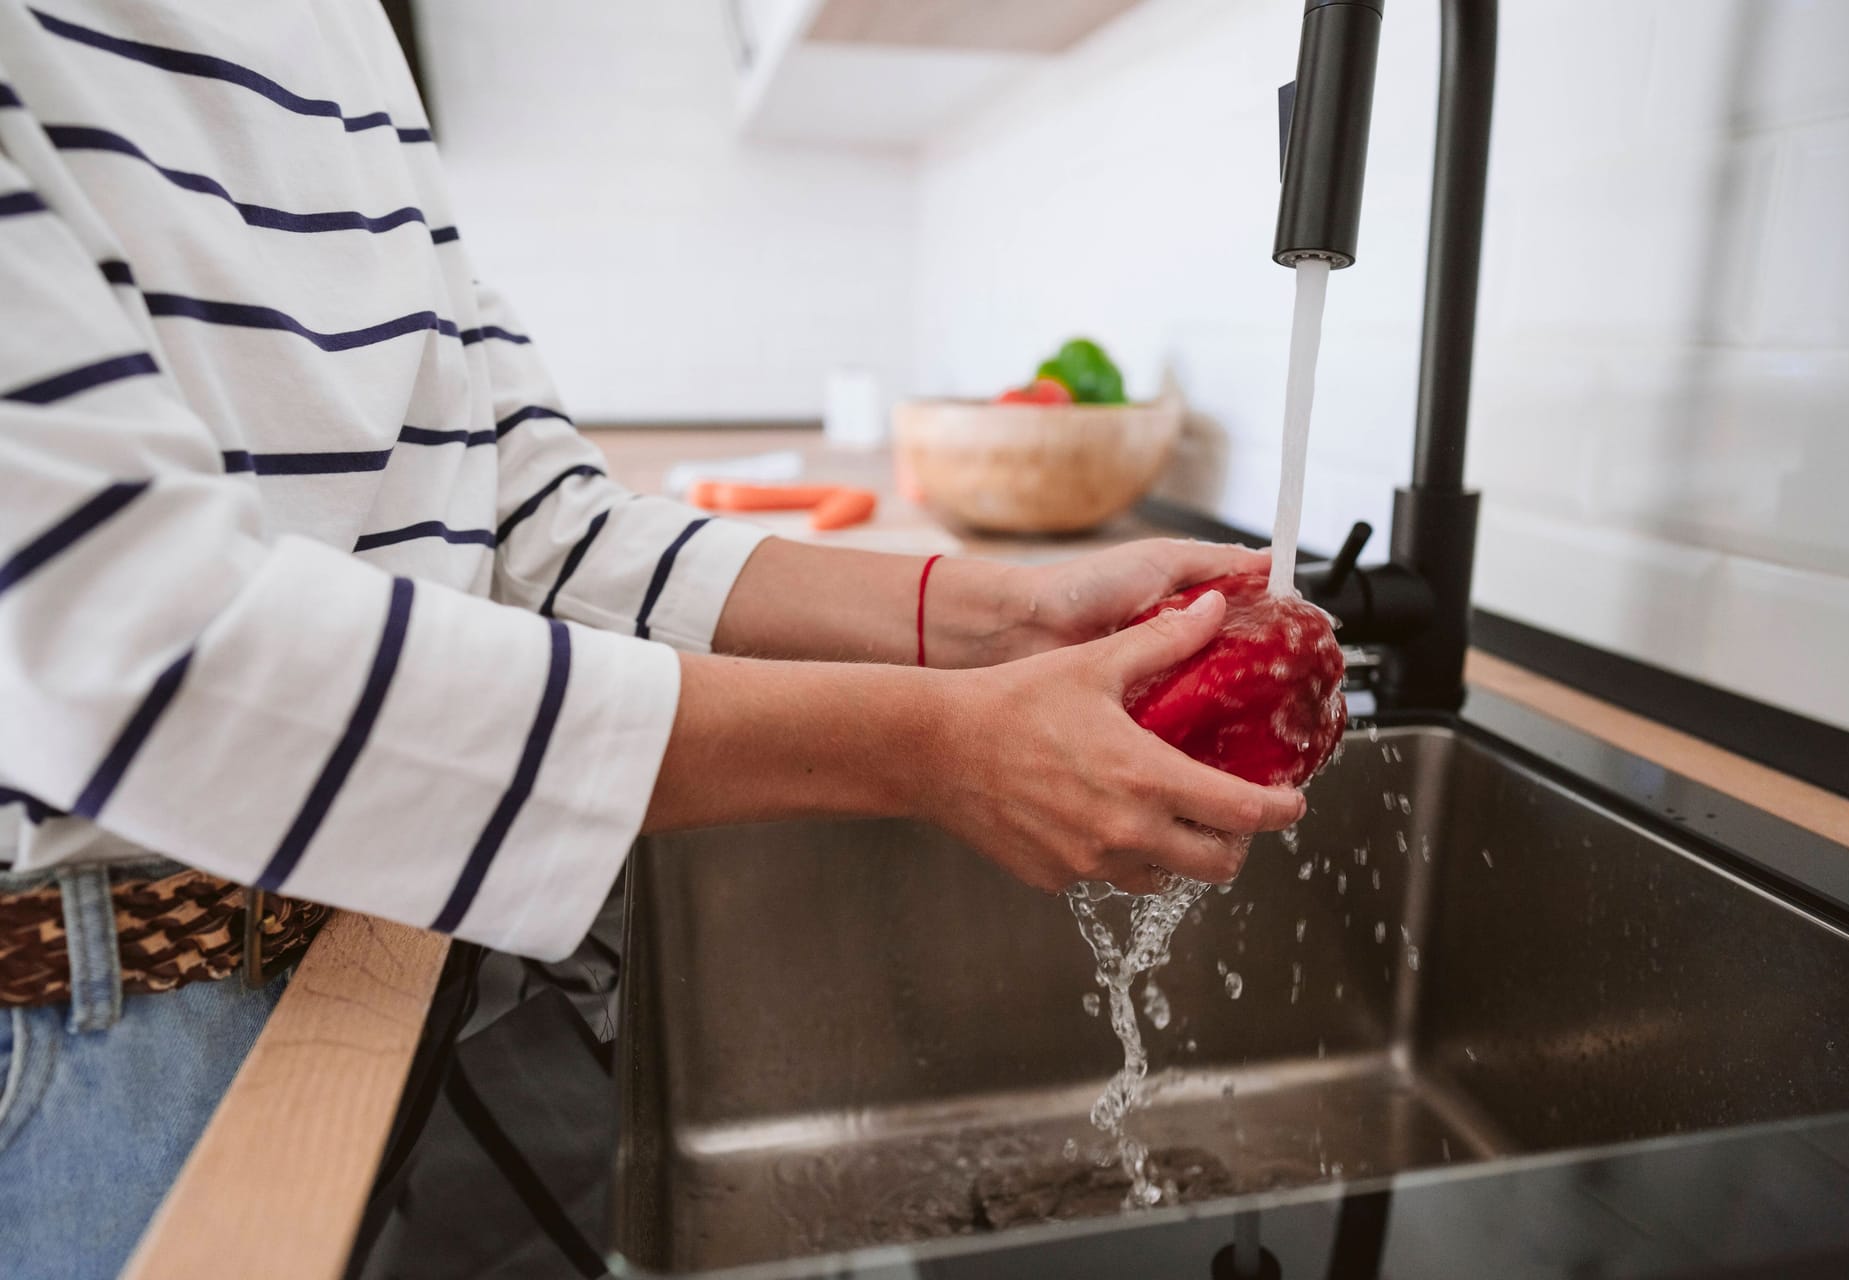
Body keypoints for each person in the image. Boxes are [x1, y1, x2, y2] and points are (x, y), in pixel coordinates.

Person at [0, 2, 1308, 1272]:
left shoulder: (342, 28)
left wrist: (1000, 614)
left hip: (367, 931)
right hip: (94, 1036)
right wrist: (934, 748)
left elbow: (533, 516)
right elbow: (142, 649)